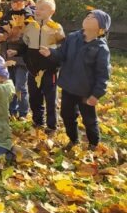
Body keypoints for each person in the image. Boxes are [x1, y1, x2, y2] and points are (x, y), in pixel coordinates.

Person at [40, 10, 111, 151]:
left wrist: (96, 94)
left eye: (93, 17)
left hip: (86, 92)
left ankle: (93, 144)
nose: (88, 18)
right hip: (68, 87)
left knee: (89, 120)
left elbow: (103, 74)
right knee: (66, 115)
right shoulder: (72, 38)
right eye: (88, 16)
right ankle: (73, 140)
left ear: (101, 27)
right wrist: (51, 53)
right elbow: (61, 55)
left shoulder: (101, 48)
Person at [19, 0, 65, 133]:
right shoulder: (30, 26)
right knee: (34, 96)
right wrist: (16, 51)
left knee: (50, 98)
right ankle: (38, 121)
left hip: (49, 70)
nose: (37, 11)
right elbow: (24, 45)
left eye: (42, 9)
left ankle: (52, 125)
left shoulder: (56, 28)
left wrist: (52, 54)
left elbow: (62, 49)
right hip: (33, 69)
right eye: (37, 8)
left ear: (52, 11)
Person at [0, 0, 32, 119]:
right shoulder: (6, 16)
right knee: (9, 85)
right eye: (13, 1)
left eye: (18, 1)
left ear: (25, 2)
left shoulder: (29, 17)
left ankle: (23, 113)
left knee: (20, 86)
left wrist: (15, 47)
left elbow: (28, 38)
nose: (15, 4)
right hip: (7, 55)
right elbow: (1, 33)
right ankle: (11, 111)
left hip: (22, 57)